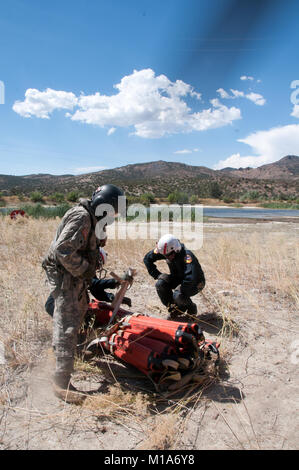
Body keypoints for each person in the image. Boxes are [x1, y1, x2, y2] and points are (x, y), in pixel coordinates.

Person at [42, 184, 125, 403]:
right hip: (65, 274)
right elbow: (63, 250)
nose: (113, 217)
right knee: (67, 323)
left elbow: (90, 246)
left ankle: (70, 354)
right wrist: (85, 269)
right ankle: (60, 381)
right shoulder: (82, 217)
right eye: (112, 212)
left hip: (73, 274)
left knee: (80, 312)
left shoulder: (93, 219)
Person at [44, 247, 132, 317]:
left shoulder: (87, 269)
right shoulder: (78, 265)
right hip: (57, 302)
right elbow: (94, 283)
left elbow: (96, 291)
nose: (97, 268)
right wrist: (115, 281)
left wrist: (112, 297)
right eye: (97, 264)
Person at [143, 234, 205, 318]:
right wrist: (158, 275)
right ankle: (174, 309)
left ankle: (191, 307)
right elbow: (147, 259)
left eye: (167, 255)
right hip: (179, 279)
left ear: (176, 250)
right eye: (164, 255)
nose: (166, 257)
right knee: (160, 284)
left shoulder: (187, 255)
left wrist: (178, 293)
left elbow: (191, 278)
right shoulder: (166, 250)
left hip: (195, 283)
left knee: (177, 295)